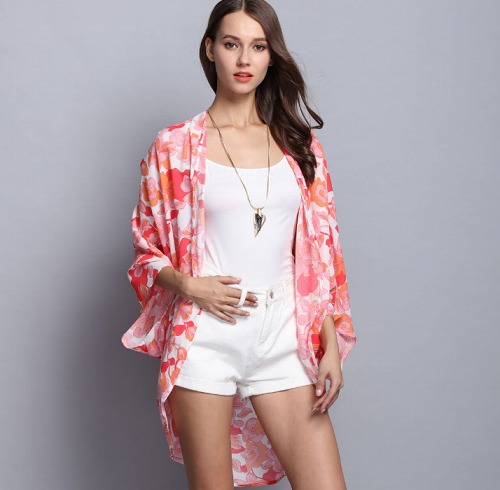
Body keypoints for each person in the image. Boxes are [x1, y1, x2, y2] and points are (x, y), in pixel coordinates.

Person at [122, 0, 357, 488]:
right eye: (232, 45)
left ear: (271, 56)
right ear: (211, 50)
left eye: (258, 46)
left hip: (284, 333)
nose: (244, 59)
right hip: (207, 334)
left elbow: (320, 260)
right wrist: (191, 286)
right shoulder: (174, 147)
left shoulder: (300, 147)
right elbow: (146, 252)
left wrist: (329, 344)